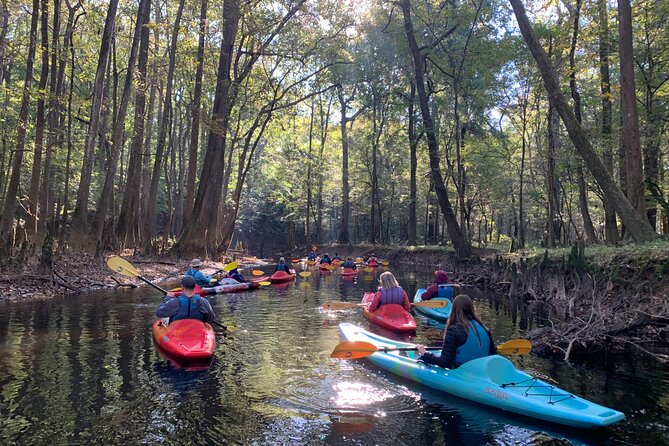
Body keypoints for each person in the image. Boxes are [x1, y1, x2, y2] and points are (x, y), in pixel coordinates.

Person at [416, 294, 496, 369]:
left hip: (462, 371)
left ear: (453, 309)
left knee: (422, 358)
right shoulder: (484, 328)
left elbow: (444, 363)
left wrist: (424, 353)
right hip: (482, 370)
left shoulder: (454, 330)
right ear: (471, 309)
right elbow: (493, 354)